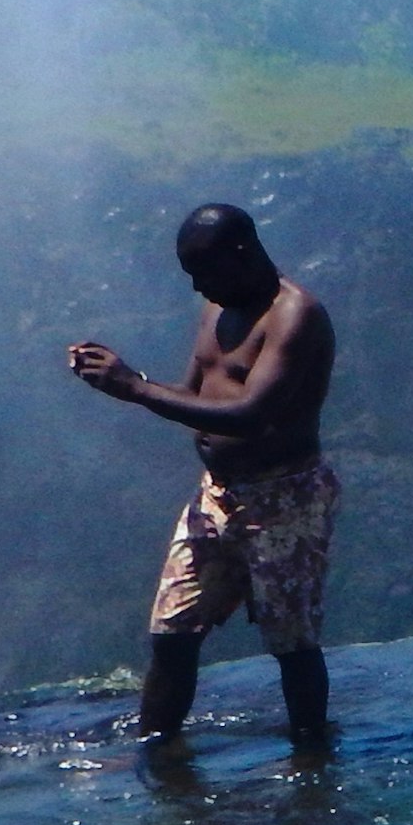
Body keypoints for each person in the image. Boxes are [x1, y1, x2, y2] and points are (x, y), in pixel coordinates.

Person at [67, 203, 340, 744]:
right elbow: (194, 397)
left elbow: (252, 413)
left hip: (284, 497)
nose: (198, 287)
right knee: (172, 632)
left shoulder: (294, 315)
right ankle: (158, 753)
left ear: (241, 255)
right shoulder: (217, 310)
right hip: (216, 497)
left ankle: (311, 759)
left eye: (203, 271)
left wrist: (136, 386)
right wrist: (117, 382)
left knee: (291, 641)